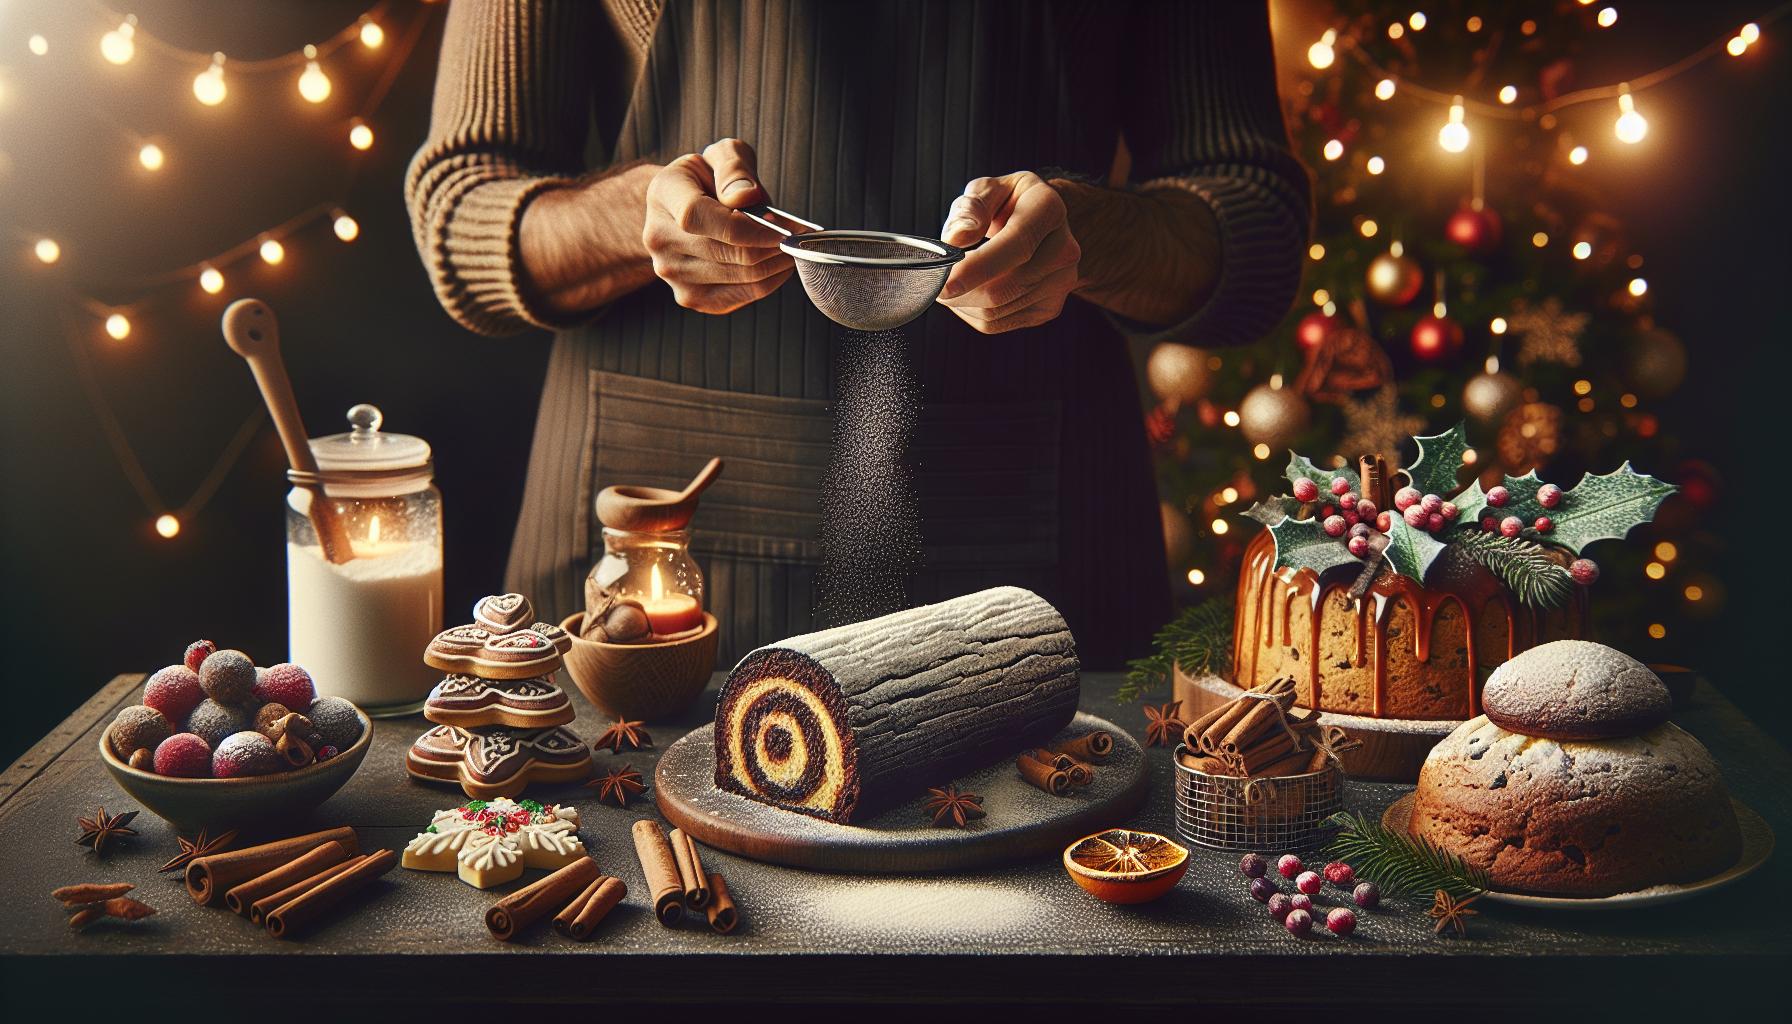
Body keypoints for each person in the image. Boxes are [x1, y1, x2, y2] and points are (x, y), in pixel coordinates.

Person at [406, 0, 1309, 668]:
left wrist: (1090, 237)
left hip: (1034, 559)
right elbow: (459, 207)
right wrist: (630, 220)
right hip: (647, 570)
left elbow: (1255, 228)